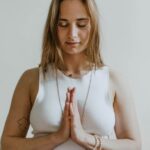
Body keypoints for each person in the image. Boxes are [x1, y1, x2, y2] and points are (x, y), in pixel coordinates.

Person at [1, 0, 141, 149]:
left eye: (81, 24)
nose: (72, 34)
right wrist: (57, 137)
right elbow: (7, 144)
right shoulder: (31, 79)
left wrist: (85, 138)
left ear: (93, 25)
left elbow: (134, 145)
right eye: (63, 24)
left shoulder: (113, 80)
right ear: (53, 27)